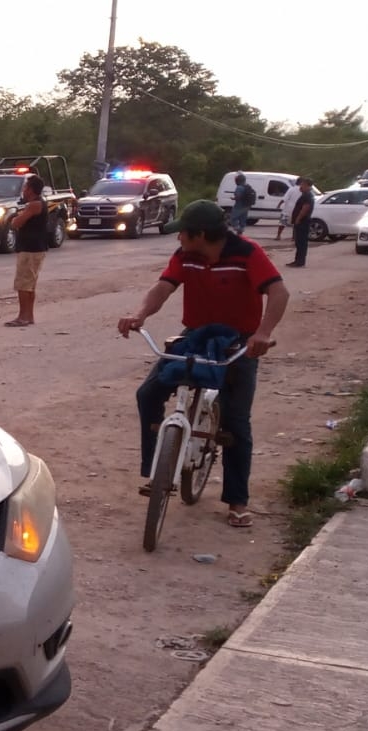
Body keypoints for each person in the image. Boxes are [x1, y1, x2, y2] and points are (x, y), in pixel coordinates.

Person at [116, 199, 289, 528]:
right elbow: (163, 287)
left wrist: (263, 334)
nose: (178, 237)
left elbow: (279, 293)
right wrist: (138, 315)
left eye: (182, 232)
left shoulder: (248, 253)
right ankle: (158, 468)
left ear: (200, 234)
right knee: (148, 394)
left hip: (238, 341)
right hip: (195, 335)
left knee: (236, 422)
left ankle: (237, 501)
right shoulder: (186, 256)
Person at [6, 174, 49, 327]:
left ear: (30, 189)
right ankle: (28, 315)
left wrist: (15, 217)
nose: (23, 190)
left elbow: (17, 223)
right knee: (30, 284)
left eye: (25, 187)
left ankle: (23, 316)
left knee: (23, 284)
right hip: (35, 248)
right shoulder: (39, 203)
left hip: (30, 249)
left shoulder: (34, 205)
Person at [286, 177, 314, 268]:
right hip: (302, 221)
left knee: (301, 242)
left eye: (302, 185)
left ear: (307, 185)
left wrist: (298, 219)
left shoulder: (307, 196)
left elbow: (305, 208)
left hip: (303, 222)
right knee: (299, 242)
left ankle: (299, 262)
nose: (300, 187)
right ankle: (298, 260)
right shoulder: (305, 195)